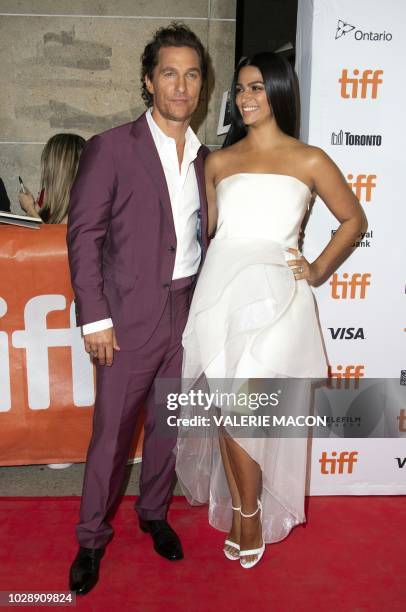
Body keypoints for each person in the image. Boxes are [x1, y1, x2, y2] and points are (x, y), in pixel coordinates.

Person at [175, 52, 367, 569]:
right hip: (221, 288)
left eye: (256, 87)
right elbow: (202, 233)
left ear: (278, 91)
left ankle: (251, 512)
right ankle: (242, 508)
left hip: (277, 296)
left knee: (245, 409)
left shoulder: (310, 160)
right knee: (224, 405)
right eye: (239, 90)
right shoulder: (218, 161)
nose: (245, 98)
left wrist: (318, 267)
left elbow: (353, 219)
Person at [66, 23, 209, 595]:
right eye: (169, 73)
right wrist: (95, 317)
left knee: (169, 425)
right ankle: (91, 537)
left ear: (203, 83)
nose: (181, 85)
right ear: (149, 82)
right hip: (125, 319)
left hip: (186, 309)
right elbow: (84, 237)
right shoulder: (112, 148)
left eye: (192, 73)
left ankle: (154, 513)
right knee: (111, 435)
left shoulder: (206, 158)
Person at [18, 133, 85, 223]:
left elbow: (53, 236)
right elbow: (29, 230)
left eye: (48, 161)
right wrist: (33, 207)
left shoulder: (82, 203)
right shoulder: (46, 194)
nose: (46, 167)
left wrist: (29, 208)